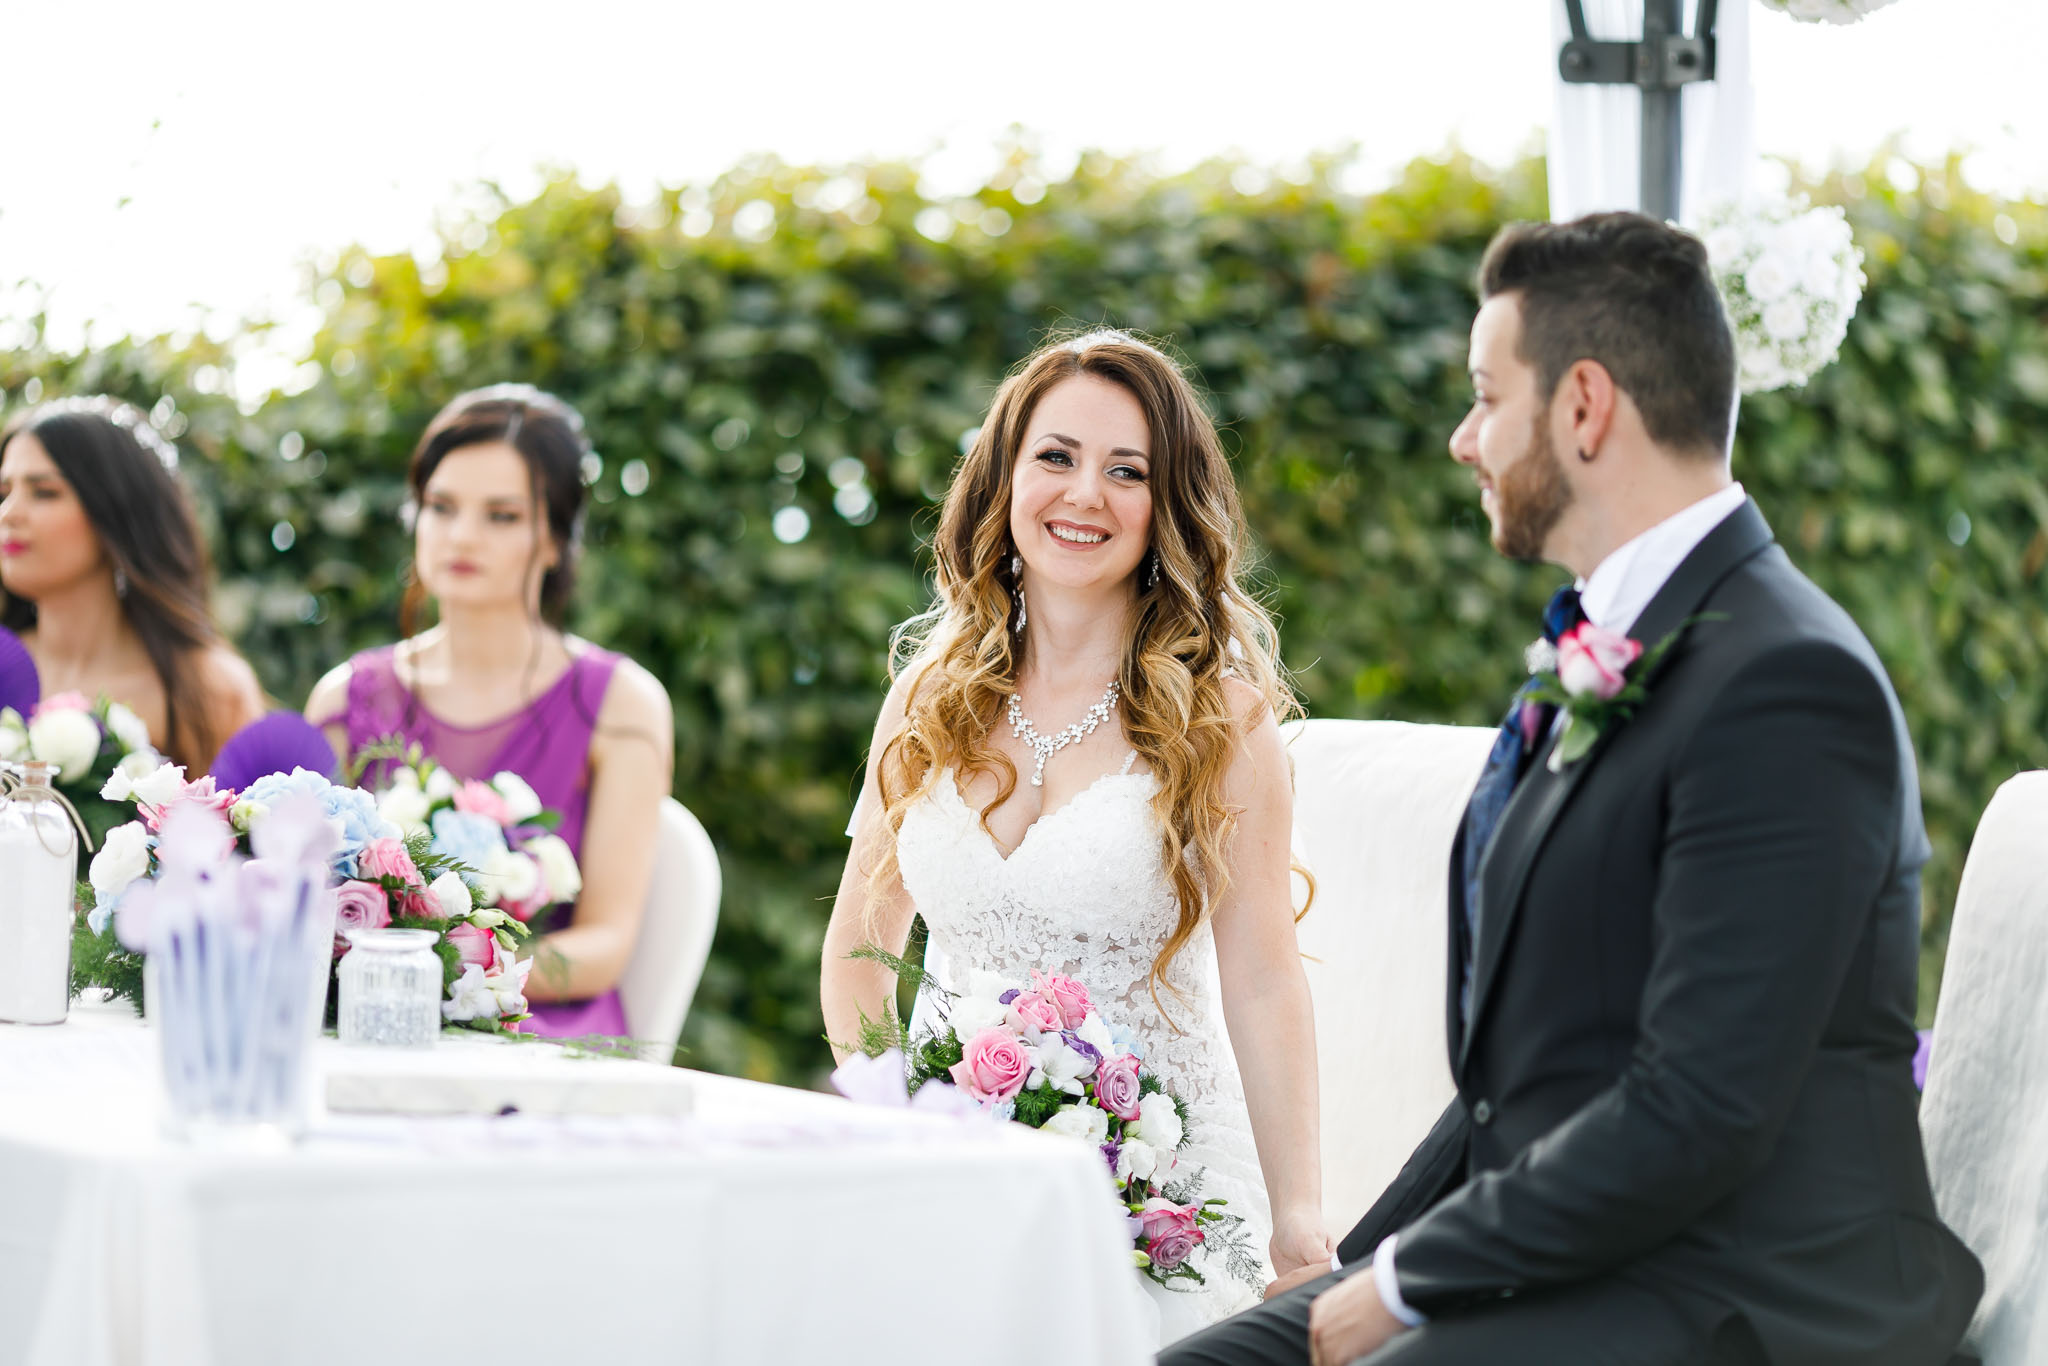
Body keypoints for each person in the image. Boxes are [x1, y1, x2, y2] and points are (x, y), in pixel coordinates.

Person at [1165, 214, 1984, 1366]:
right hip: (1580, 1263)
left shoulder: (1788, 683)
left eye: (1485, 396)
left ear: (1584, 406)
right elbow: (1512, 1097)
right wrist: (1348, 1265)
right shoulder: (1602, 646)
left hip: (1752, 1298)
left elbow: (1698, 1108)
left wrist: (1404, 1285)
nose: (1462, 439)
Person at [819, 330, 1332, 1342]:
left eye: (1126, 470)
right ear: (1005, 477)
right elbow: (855, 950)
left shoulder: (1218, 720)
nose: (1083, 493)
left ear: (1166, 505)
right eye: (1054, 456)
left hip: (1156, 1191)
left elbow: (1265, 981)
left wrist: (1301, 1230)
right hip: (948, 1169)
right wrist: (899, 1119)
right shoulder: (923, 701)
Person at [305, 384, 673, 1038]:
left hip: (539, 1030)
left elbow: (607, 944)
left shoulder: (621, 703)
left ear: (557, 539)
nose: (462, 535)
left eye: (501, 516)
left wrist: (451, 970)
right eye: (441, 507)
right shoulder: (345, 698)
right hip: (367, 1021)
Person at [0, 396, 265, 772]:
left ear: (116, 512)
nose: (9, 514)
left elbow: (249, 825)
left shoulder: (206, 689)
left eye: (44, 492)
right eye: (4, 492)